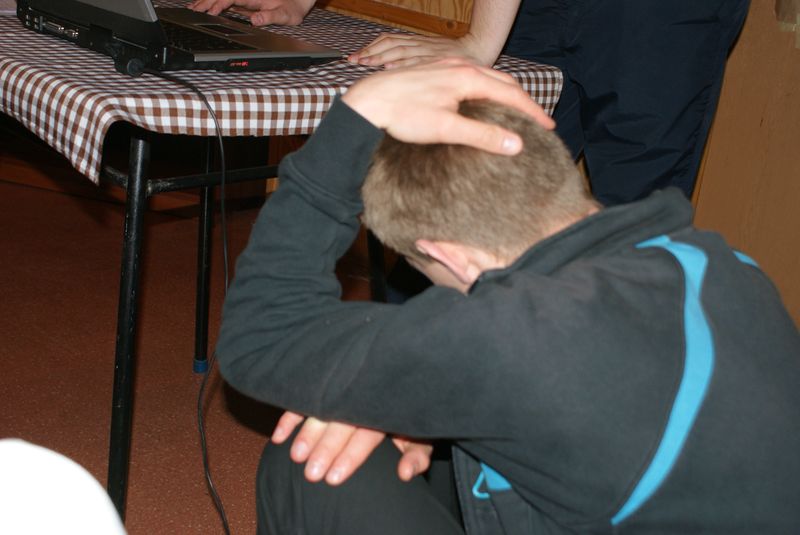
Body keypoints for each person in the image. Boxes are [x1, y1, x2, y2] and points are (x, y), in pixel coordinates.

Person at [214, 59, 800, 534]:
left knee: (309, 464)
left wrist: (358, 111)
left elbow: (261, 337)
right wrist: (411, 401)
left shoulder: (512, 337)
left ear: (450, 256)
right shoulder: (726, 265)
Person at [188, 0, 750, 205]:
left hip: (659, 14)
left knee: (636, 212)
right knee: (473, 191)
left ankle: (628, 418)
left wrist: (481, 44)